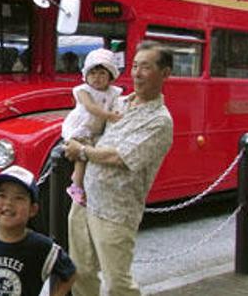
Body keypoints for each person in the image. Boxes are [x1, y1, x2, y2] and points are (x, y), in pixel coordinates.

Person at [63, 40, 174, 296]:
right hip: (84, 202)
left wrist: (81, 151)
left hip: (115, 212)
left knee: (117, 283)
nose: (136, 73)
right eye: (134, 66)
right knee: (81, 273)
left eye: (145, 67)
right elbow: (91, 127)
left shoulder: (160, 121)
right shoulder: (119, 103)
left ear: (165, 73)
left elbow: (120, 157)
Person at [0, 165, 77, 296]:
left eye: (19, 198)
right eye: (2, 195)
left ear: (33, 210)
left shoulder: (41, 247)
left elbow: (70, 272)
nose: (9, 203)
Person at [61, 48, 123, 206]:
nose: (97, 77)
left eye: (102, 73)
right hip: (81, 127)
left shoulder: (113, 93)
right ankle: (76, 184)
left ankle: (87, 186)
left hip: (97, 130)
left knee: (96, 155)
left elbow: (117, 106)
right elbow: (90, 107)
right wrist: (109, 116)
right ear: (86, 76)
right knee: (82, 155)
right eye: (92, 73)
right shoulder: (83, 91)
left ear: (110, 76)